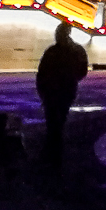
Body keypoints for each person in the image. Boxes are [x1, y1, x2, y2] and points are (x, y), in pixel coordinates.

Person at [35, 22, 90, 164]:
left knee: (53, 121)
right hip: (66, 90)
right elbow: (82, 71)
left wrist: (43, 89)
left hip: (54, 91)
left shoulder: (53, 51)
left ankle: (52, 151)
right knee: (58, 121)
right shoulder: (77, 50)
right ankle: (55, 151)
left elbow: (42, 72)